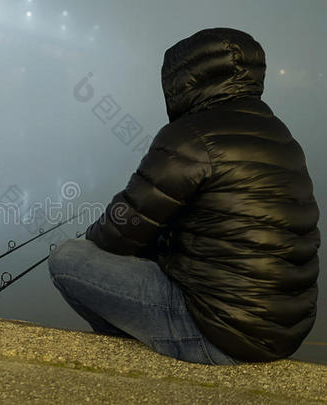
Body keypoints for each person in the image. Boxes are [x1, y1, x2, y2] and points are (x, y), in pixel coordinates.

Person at [48, 27, 320, 365]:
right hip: (281, 331)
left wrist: (93, 242)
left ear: (184, 79)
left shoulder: (190, 136)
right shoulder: (279, 134)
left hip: (220, 335)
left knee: (67, 258)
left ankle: (134, 346)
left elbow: (119, 231)